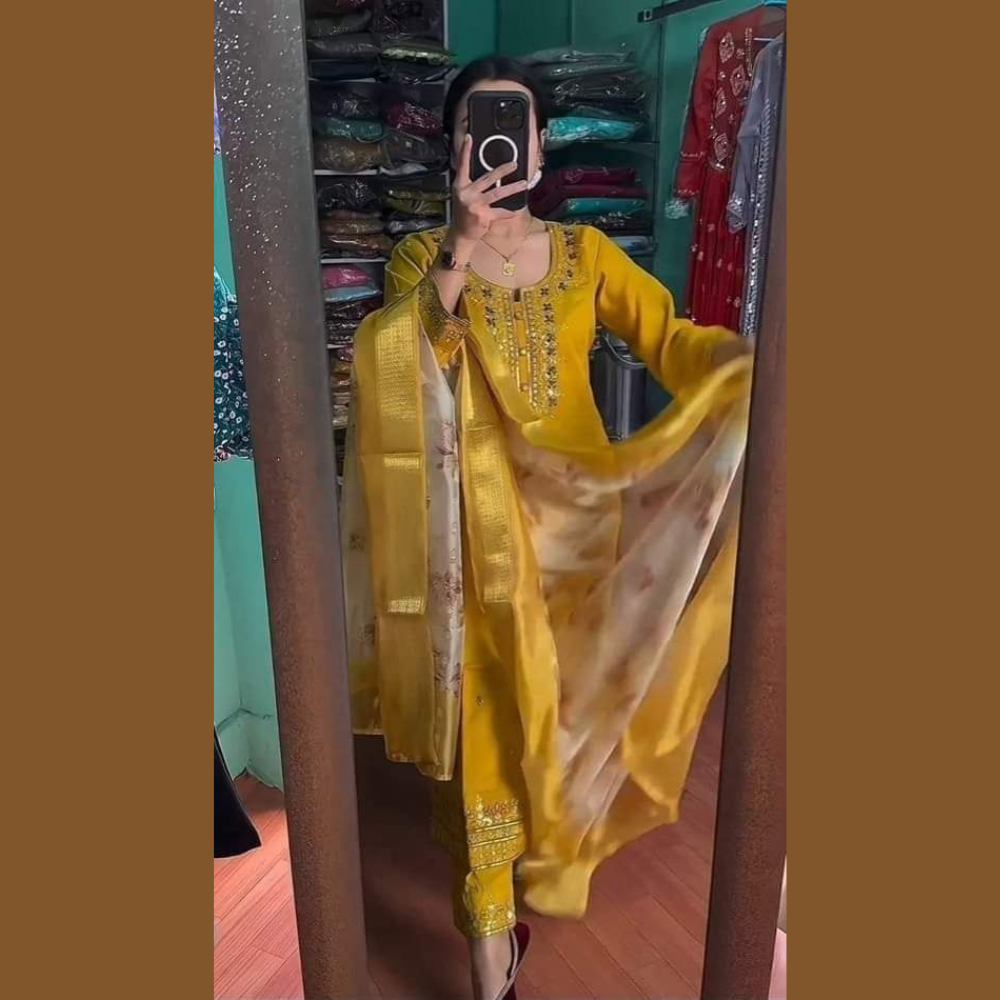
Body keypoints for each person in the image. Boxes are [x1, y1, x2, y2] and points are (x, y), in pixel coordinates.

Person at [341, 57, 754, 1000]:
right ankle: (490, 951)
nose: (495, 141)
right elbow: (397, 372)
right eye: (475, 125)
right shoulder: (421, 258)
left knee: (559, 717)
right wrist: (458, 246)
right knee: (484, 726)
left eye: (514, 124)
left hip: (582, 539)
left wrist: (744, 365)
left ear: (538, 146)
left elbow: (670, 338)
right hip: (471, 546)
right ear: (453, 145)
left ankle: (534, 853)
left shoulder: (585, 254)